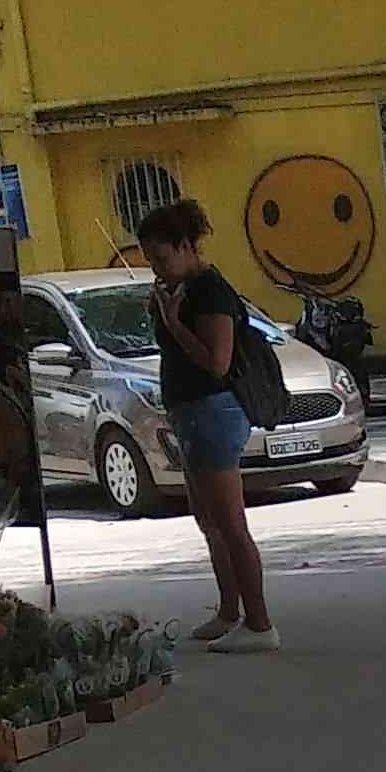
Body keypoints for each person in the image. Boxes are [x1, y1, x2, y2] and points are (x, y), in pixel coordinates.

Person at [137, 198, 276, 654]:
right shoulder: (179, 290)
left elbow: (218, 362)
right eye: (150, 260)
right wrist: (161, 314)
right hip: (190, 413)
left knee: (231, 523)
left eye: (162, 257)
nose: (157, 268)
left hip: (214, 411)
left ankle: (259, 623)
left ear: (186, 246)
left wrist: (174, 324)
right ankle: (229, 611)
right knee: (208, 521)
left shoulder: (211, 292)